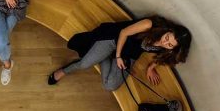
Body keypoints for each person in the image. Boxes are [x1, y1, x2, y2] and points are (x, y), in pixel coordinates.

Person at [48, 16, 191, 92]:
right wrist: (117, 56)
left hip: (129, 54)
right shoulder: (149, 24)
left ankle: (102, 58)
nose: (164, 43)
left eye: (170, 45)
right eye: (167, 38)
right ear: (168, 30)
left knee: (110, 86)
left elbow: (165, 57)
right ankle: (64, 71)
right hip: (115, 40)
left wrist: (151, 67)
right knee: (84, 64)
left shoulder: (168, 49)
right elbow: (124, 32)